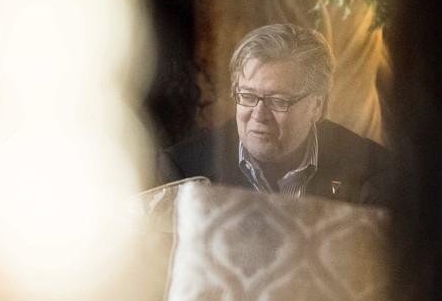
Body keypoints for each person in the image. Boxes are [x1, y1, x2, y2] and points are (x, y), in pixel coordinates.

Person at [158, 23, 391, 205]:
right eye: (248, 97)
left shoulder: (372, 170)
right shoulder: (184, 170)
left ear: (317, 107)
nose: (259, 115)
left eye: (278, 101)